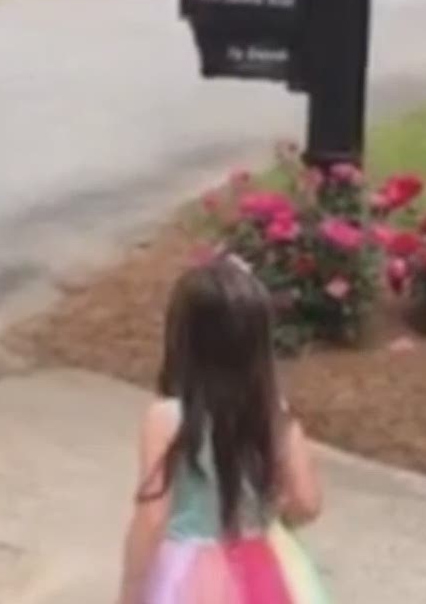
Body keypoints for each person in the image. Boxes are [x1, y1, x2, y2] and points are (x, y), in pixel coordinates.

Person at [116, 258, 331, 604]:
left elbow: (153, 516)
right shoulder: (273, 411)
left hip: (187, 576)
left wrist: (130, 592)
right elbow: (306, 502)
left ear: (184, 339)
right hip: (261, 566)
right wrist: (263, 520)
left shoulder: (167, 417)